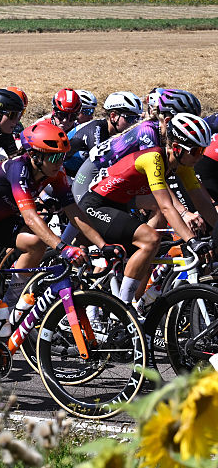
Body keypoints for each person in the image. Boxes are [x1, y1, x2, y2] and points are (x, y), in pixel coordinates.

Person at [0, 121, 109, 387]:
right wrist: (63, 247)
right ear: (34, 155)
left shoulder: (55, 174)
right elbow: (30, 217)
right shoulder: (18, 168)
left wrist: (102, 245)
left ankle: (9, 304)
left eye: (62, 156)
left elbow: (76, 214)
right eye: (53, 157)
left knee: (35, 244)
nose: (59, 162)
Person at [77, 113, 212, 305]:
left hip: (119, 206)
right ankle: (122, 312)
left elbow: (202, 202)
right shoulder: (153, 158)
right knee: (150, 239)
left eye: (203, 150)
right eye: (196, 151)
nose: (201, 156)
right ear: (176, 148)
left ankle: (132, 309)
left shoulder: (182, 166)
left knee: (149, 258)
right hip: (96, 205)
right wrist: (192, 241)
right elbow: (166, 206)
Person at [70, 87, 201, 200]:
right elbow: (155, 176)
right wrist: (183, 213)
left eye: (135, 118)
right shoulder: (148, 132)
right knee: (159, 205)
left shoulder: (167, 136)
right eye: (130, 118)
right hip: (90, 176)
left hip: (114, 179)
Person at [63, 91, 142, 177]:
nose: (134, 123)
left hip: (78, 174)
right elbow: (101, 163)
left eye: (137, 118)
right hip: (63, 173)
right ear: (113, 116)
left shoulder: (114, 132)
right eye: (130, 119)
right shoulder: (95, 129)